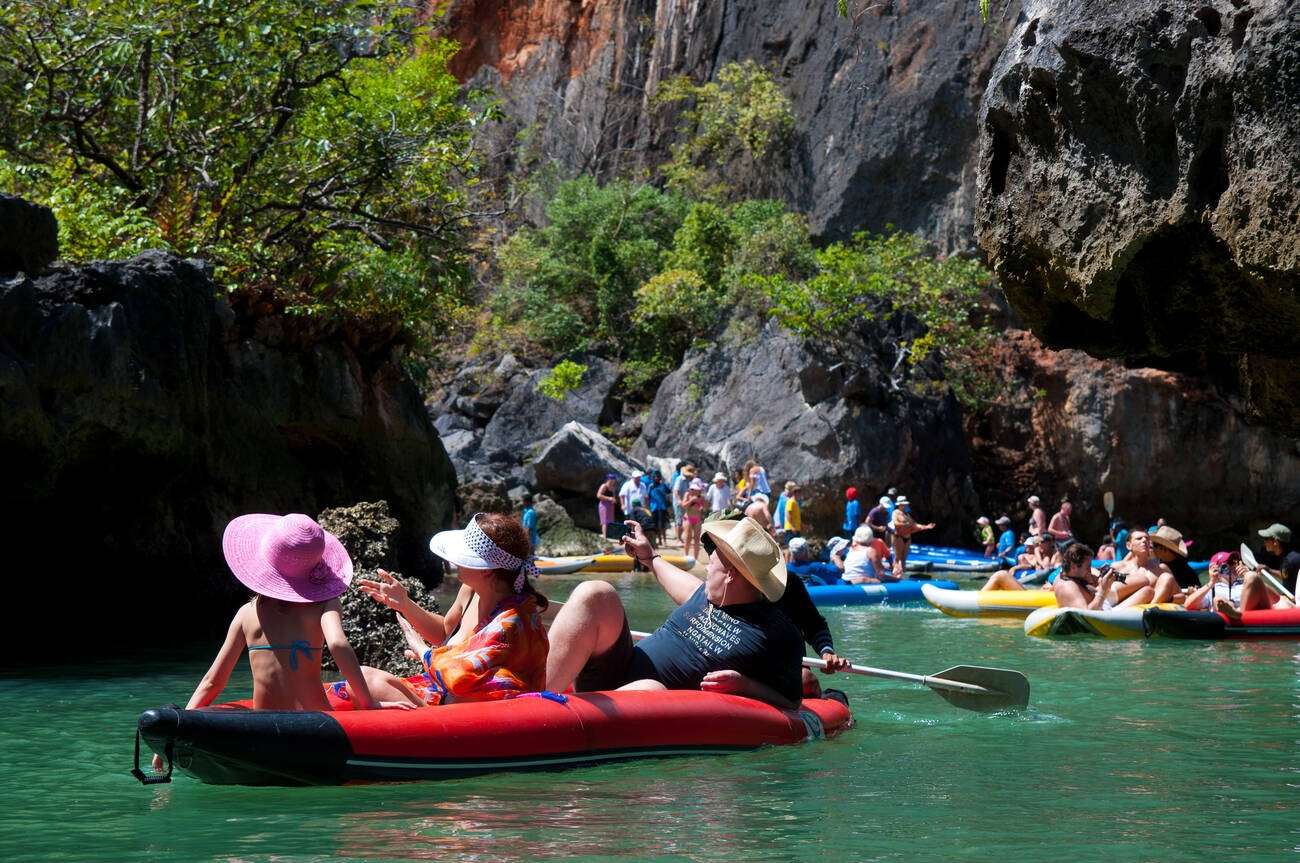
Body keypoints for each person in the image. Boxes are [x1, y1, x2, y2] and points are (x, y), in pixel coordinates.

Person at [151, 513, 408, 770]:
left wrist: (174, 733)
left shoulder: (246, 614)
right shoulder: (324, 604)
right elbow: (338, 645)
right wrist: (369, 703)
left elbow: (212, 682)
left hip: (266, 727)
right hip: (318, 724)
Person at [545, 517, 816, 708]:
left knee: (651, 690)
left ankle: (556, 717)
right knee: (597, 593)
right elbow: (664, 569)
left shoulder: (779, 634)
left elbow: (792, 700)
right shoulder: (705, 594)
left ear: (731, 575)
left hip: (646, 702)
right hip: (610, 674)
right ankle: (534, 698)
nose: (707, 569)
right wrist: (648, 556)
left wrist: (746, 686)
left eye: (712, 563)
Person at [358, 513, 550, 706]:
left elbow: (461, 678)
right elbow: (444, 633)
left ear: (486, 570)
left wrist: (423, 652)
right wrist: (405, 604)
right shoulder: (471, 590)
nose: (455, 562)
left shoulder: (513, 620)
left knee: (367, 682)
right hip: (445, 697)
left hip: (472, 716)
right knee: (362, 678)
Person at [1049, 543, 1127, 610]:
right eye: (1087, 566)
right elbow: (1086, 616)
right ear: (1073, 567)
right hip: (1101, 611)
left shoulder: (1072, 575)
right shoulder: (1068, 587)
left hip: (1103, 605)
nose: (1090, 570)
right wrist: (1102, 591)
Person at [890, 495, 934, 577]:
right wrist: (905, 524)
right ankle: (895, 574)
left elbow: (915, 525)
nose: (904, 506)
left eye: (905, 504)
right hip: (898, 536)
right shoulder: (895, 512)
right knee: (897, 558)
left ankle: (902, 574)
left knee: (904, 559)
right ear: (899, 505)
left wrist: (926, 527)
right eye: (903, 504)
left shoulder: (907, 514)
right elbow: (895, 523)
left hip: (907, 537)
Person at [1149, 525, 1200, 590]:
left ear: (1164, 549)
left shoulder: (1185, 573)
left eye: (1154, 545)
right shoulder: (1184, 566)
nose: (1152, 548)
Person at [1256, 523, 1300, 596]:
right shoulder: (1289, 556)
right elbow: (1286, 575)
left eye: (1266, 539)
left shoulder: (1289, 561)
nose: (1264, 542)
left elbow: (1290, 594)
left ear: (1275, 542)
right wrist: (1269, 570)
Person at [680, 477, 707, 562]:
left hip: (697, 519)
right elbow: (683, 505)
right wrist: (691, 500)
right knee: (687, 537)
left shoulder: (701, 497)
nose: (695, 491)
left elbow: (706, 508)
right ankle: (686, 556)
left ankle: (696, 559)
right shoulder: (687, 494)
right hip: (688, 518)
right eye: (694, 489)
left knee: (697, 539)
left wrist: (703, 506)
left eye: (697, 489)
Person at [647, 472, 672, 546]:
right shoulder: (651, 486)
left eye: (658, 477)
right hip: (654, 508)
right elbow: (647, 497)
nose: (657, 478)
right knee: (655, 525)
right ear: (653, 477)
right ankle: (658, 540)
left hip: (662, 507)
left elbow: (669, 491)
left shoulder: (663, 485)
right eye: (656, 477)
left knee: (662, 525)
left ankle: (664, 541)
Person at [672, 464, 695, 540]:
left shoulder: (688, 480)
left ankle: (680, 537)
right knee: (679, 520)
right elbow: (676, 491)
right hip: (679, 502)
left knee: (683, 519)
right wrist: (679, 501)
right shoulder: (680, 479)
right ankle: (678, 539)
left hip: (685, 502)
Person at [597, 474, 618, 540]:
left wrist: (614, 500)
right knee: (605, 521)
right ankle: (605, 537)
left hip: (611, 506)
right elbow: (598, 495)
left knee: (611, 521)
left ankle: (610, 536)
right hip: (604, 505)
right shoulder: (604, 486)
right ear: (608, 479)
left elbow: (613, 497)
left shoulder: (613, 488)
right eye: (611, 479)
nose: (613, 481)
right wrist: (609, 498)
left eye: (613, 479)